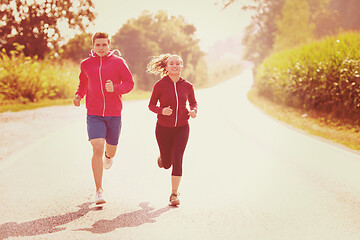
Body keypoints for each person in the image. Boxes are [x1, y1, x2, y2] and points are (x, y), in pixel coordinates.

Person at [73, 32, 134, 205]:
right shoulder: (85, 64)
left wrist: (114, 88)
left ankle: (109, 156)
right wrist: (78, 95)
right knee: (97, 147)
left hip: (114, 114)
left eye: (104, 45)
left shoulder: (118, 62)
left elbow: (130, 83)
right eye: (97, 45)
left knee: (110, 150)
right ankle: (99, 190)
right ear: (92, 46)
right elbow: (83, 83)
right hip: (94, 113)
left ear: (109, 45)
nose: (101, 48)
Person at [147, 54, 198, 206]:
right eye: (171, 63)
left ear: (182, 66)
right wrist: (162, 111)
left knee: (178, 158)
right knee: (167, 163)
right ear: (167, 67)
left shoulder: (187, 86)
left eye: (178, 63)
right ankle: (162, 159)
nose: (174, 65)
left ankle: (174, 194)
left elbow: (193, 102)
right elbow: (151, 105)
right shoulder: (160, 85)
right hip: (163, 129)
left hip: (182, 128)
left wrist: (193, 110)